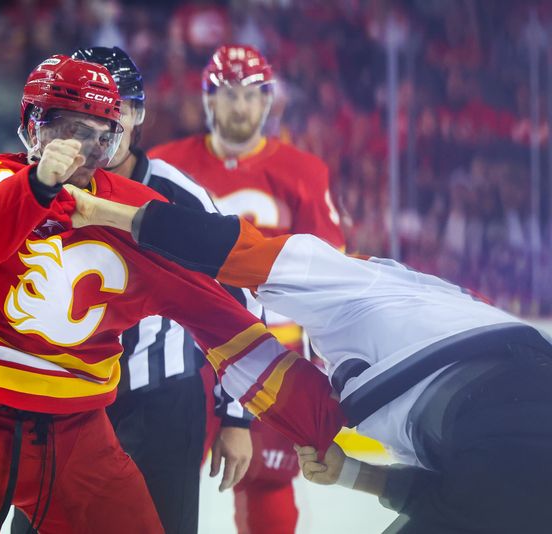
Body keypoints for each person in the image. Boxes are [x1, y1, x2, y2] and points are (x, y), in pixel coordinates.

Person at [0, 54, 344, 534]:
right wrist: (34, 189)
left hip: (77, 429)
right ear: (32, 126)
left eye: (99, 137)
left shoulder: (135, 207)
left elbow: (217, 312)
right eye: (68, 130)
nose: (81, 151)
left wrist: (317, 415)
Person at [65, 189, 552, 534]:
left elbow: (231, 248)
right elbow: (463, 492)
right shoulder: (442, 299)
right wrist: (350, 474)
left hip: (493, 420)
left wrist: (105, 212)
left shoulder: (349, 279)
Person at [150, 43, 346, 533]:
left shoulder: (304, 173)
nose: (240, 106)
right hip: (181, 357)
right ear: (208, 99)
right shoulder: (162, 165)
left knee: (269, 492)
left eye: (251, 95)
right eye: (229, 94)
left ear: (268, 101)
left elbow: (332, 276)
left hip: (270, 357)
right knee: (154, 487)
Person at [60, 45, 253, 534]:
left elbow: (241, 297)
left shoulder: (177, 192)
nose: (108, 121)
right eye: (93, 106)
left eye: (119, 106)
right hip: (64, 395)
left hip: (163, 400)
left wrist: (237, 416)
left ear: (137, 114)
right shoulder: (40, 186)